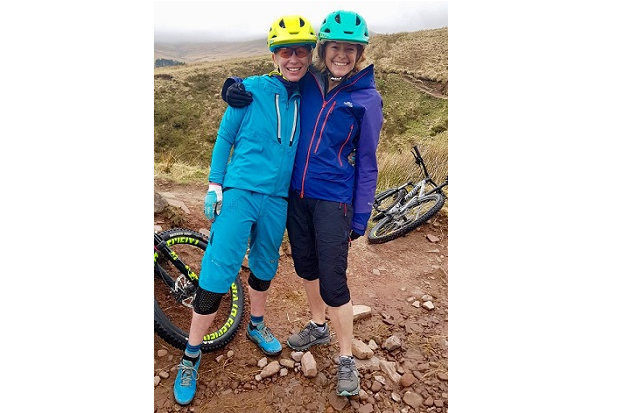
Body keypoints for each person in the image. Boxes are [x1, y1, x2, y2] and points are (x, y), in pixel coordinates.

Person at [223, 10, 383, 397]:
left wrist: (361, 214)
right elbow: (270, 85)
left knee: (334, 281)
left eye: (350, 49)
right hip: (296, 195)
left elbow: (366, 161)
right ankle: (318, 325)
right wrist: (233, 87)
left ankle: (345, 357)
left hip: (334, 201)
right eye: (334, 48)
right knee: (306, 266)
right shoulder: (307, 82)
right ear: (323, 49)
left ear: (359, 54)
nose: (341, 55)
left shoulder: (367, 99)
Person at [173, 14, 317, 406]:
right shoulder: (250, 91)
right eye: (286, 52)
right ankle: (191, 354)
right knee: (218, 270)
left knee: (265, 265)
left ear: (309, 57)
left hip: (278, 199)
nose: (294, 59)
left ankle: (255, 324)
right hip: (240, 193)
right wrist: (215, 184)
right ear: (274, 56)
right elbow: (225, 136)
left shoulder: (311, 95)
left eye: (301, 52)